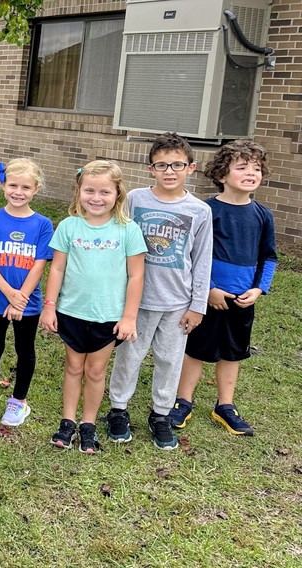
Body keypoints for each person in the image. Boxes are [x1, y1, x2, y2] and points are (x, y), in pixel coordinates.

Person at [106, 133, 213, 450]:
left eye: (177, 164)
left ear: (191, 167)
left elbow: (202, 259)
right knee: (129, 356)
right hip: (137, 300)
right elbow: (116, 241)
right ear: (150, 168)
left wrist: (198, 305)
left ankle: (162, 414)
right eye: (162, 165)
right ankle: (118, 410)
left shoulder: (199, 211)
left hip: (177, 303)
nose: (170, 171)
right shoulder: (136, 200)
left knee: (170, 360)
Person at [171, 139, 277, 436]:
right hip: (207, 298)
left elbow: (268, 257)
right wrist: (209, 289)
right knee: (196, 349)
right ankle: (183, 401)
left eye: (256, 168)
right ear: (221, 175)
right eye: (241, 167)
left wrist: (258, 290)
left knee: (233, 353)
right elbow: (192, 254)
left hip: (243, 300)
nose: (250, 173)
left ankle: (225, 406)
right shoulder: (206, 210)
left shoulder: (263, 215)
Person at [41, 161, 146, 454]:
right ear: (79, 191)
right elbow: (58, 270)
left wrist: (129, 317)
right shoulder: (68, 226)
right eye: (89, 190)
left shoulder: (129, 230)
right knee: (74, 367)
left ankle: (88, 424)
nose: (96, 198)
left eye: (104, 192)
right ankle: (67, 421)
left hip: (108, 316)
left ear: (118, 194)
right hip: (72, 312)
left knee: (96, 371)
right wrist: (49, 307)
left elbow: (136, 275)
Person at [0, 158, 54, 433]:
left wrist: (21, 298)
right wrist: (9, 294)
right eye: (13, 185)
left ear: (36, 189)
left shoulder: (42, 224)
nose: (18, 192)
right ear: (3, 184)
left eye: (26, 187)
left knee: (24, 350)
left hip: (27, 302)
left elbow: (40, 262)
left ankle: (19, 400)